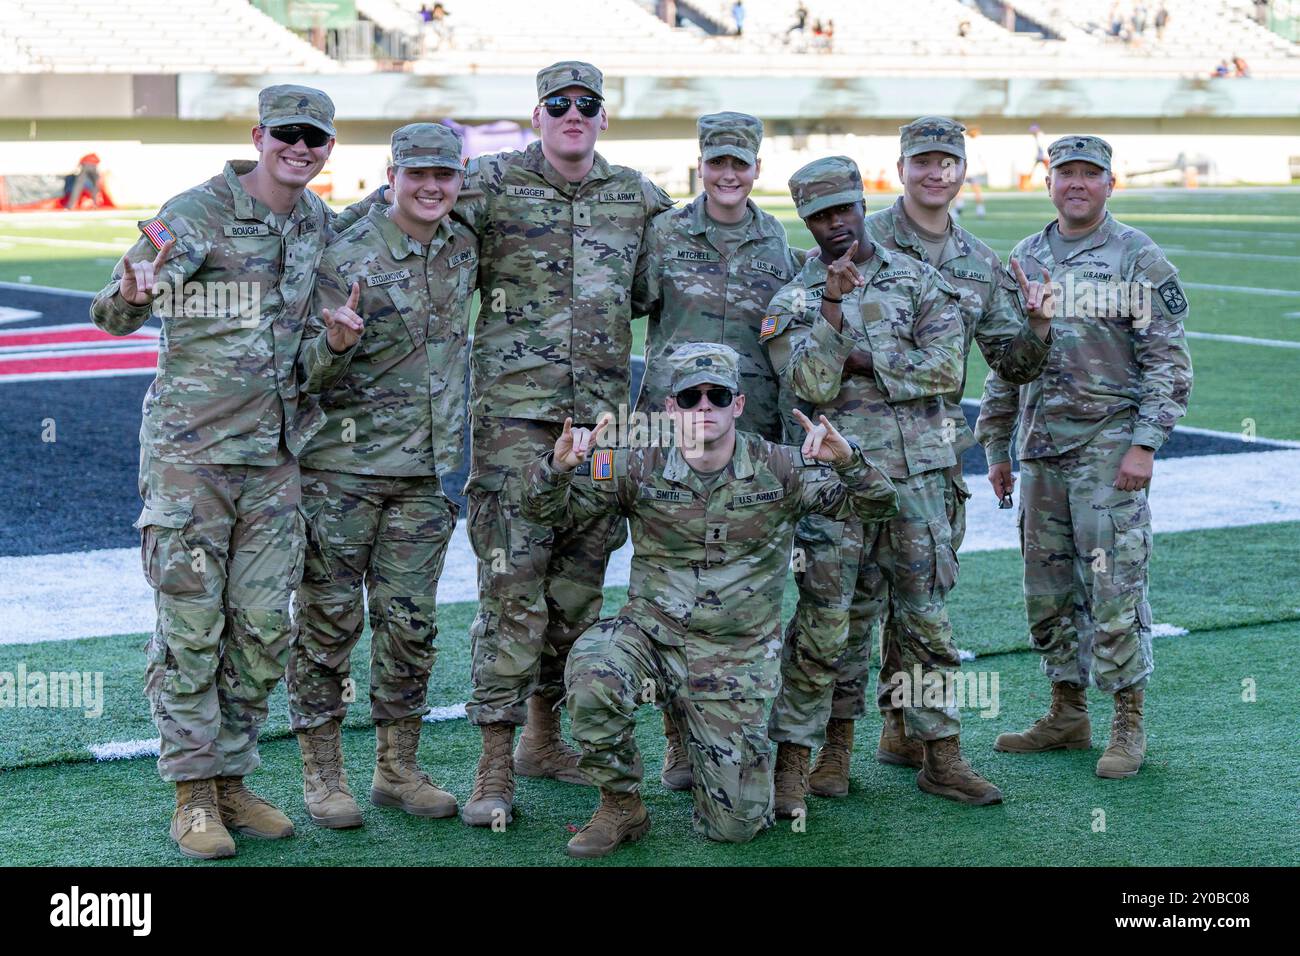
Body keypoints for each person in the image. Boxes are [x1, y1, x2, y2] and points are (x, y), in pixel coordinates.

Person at [89, 85, 385, 859]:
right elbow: (113, 313)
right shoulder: (197, 211)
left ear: (328, 149)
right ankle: (191, 796)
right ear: (259, 136)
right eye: (288, 133)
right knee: (192, 628)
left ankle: (231, 780)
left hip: (275, 461)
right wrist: (128, 292)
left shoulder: (318, 224)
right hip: (192, 458)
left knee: (259, 630)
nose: (301, 147)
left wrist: (339, 345)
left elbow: (311, 358)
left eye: (316, 138)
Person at [522, 343, 898, 858]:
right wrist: (558, 468)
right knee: (592, 674)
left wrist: (850, 461)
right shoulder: (637, 465)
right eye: (690, 397)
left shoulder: (781, 468)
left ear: (737, 405)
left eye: (717, 395)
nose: (705, 407)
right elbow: (546, 513)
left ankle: (711, 754)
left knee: (737, 826)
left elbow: (878, 505)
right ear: (671, 408)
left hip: (734, 656)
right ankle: (620, 803)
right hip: (650, 637)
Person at [772, 120, 1054, 803]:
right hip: (838, 483)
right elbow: (806, 386)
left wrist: (863, 360)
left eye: (843, 209)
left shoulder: (922, 278)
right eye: (819, 216)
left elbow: (947, 369)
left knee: (926, 623)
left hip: (924, 478)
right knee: (833, 620)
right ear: (805, 223)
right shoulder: (795, 294)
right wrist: (837, 313)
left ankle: (940, 753)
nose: (835, 224)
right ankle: (830, 753)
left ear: (861, 203)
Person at [452, 61, 673, 828]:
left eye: (587, 104)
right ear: (537, 114)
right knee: (512, 591)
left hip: (605, 427)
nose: (573, 114)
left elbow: (672, 282)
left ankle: (544, 743)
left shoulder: (638, 197)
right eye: (559, 104)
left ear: (604, 118)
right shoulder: (488, 183)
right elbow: (400, 222)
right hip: (516, 425)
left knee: (577, 593)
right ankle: (491, 765)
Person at [975, 135, 1192, 780]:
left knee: (1114, 586)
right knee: (1046, 589)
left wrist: (1145, 446)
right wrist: (996, 444)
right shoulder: (1025, 256)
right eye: (1065, 172)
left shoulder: (1137, 258)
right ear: (1048, 182)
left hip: (1109, 448)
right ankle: (1066, 711)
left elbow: (1168, 362)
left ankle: (1128, 720)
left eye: (1089, 174)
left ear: (1108, 183)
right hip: (1041, 450)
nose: (1076, 183)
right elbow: (1004, 362)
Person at [286, 123, 477, 829]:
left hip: (424, 478)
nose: (431, 187)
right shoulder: (344, 249)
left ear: (461, 179)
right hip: (341, 472)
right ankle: (322, 776)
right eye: (417, 174)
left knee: (410, 626)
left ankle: (398, 770)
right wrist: (335, 346)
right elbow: (301, 369)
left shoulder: (462, 244)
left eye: (445, 175)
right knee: (328, 625)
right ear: (389, 173)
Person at [633, 111, 800, 789]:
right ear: (700, 166)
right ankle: (677, 737)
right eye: (717, 164)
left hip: (749, 434)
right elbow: (628, 303)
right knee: (671, 582)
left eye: (741, 164)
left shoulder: (775, 240)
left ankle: (733, 727)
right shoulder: (666, 233)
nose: (728, 175)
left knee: (743, 585)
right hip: (674, 433)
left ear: (757, 170)